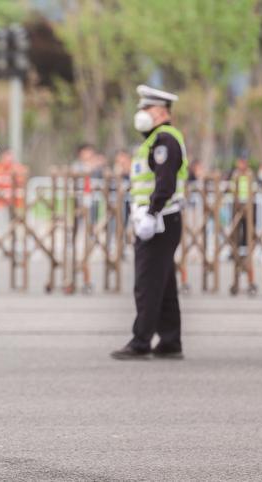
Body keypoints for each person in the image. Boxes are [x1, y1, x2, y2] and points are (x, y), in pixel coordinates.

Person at [111, 85, 188, 360]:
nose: (141, 113)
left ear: (161, 112)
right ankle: (170, 341)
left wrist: (152, 213)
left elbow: (165, 182)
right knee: (164, 284)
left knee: (147, 283)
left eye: (146, 108)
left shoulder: (165, 139)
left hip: (159, 220)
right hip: (160, 218)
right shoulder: (155, 139)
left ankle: (141, 341)